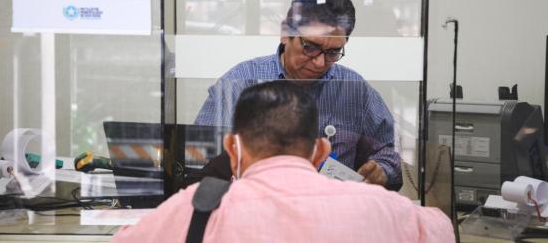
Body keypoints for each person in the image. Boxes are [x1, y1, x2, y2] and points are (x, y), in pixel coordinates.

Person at [112, 81, 454, 242]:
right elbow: (442, 228)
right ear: (320, 151)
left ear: (233, 149)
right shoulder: (378, 206)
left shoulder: (197, 209)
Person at [192, 0, 401, 190]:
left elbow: (390, 153)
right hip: (256, 211)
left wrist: (382, 169)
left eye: (333, 52)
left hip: (332, 214)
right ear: (285, 33)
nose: (320, 63)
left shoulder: (355, 91)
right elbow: (199, 157)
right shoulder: (239, 84)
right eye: (310, 47)